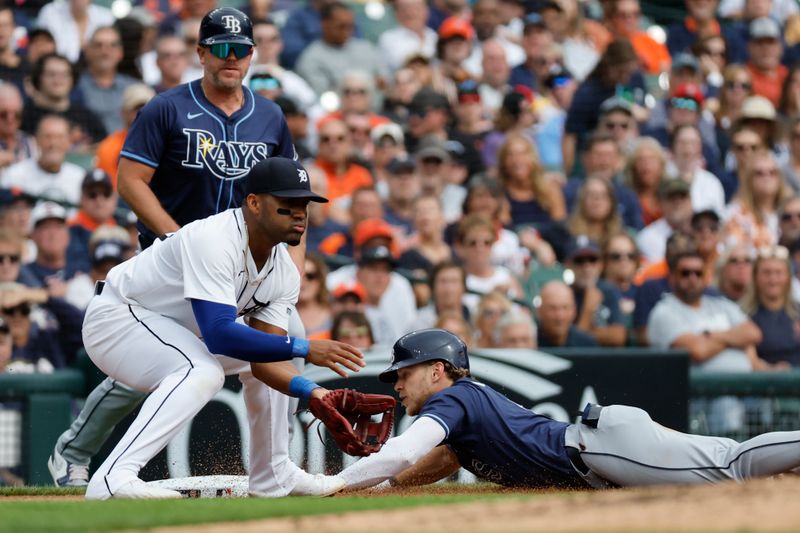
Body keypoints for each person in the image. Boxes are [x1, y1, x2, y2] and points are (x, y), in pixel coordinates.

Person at [48, 7, 302, 490]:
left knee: (277, 340)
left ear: (252, 55)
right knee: (165, 365)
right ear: (201, 52)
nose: (232, 57)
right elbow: (130, 181)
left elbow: (288, 195)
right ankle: (76, 452)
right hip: (173, 265)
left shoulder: (268, 116)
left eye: (241, 49)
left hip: (243, 267)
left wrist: (289, 272)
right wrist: (175, 239)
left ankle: (274, 469)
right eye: (221, 48)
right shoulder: (167, 107)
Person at [82, 157, 363, 500]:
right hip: (118, 317)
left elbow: (264, 359)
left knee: (261, 353)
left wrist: (312, 391)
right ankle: (111, 479)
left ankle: (272, 474)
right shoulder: (215, 238)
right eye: (287, 204)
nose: (299, 213)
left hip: (176, 332)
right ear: (254, 203)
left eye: (303, 204)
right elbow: (219, 333)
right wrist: (305, 347)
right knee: (202, 371)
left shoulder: (284, 272)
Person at [332, 328, 800, 491]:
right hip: (605, 445)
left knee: (732, 467)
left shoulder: (455, 396)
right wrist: (384, 484)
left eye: (403, 372)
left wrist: (335, 483)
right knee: (737, 462)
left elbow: (404, 452)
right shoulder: (463, 410)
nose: (396, 383)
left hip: (601, 449)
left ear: (438, 370)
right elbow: (441, 461)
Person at [646, 248, 764, 371]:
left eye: (698, 273)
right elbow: (698, 351)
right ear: (672, 277)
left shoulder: (721, 304)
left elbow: (753, 333)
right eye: (685, 273)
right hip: (697, 388)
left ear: (705, 277)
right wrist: (735, 339)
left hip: (744, 384)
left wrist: (710, 336)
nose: (693, 278)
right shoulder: (664, 312)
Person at [1, 115, 85, 206]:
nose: (53, 143)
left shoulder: (80, 178)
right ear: (37, 140)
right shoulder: (15, 175)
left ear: (69, 142)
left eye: (60, 137)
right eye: (48, 137)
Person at [740, 245, 800, 367]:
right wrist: (773, 371)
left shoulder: (798, 311)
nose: (773, 279)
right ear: (756, 277)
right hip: (764, 383)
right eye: (767, 273)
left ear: (788, 277)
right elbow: (749, 360)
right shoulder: (743, 314)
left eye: (779, 273)